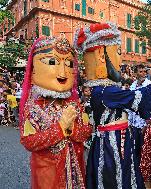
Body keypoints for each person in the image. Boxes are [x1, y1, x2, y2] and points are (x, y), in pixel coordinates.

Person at [73, 22, 151, 189]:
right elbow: (137, 98)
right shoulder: (106, 91)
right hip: (112, 145)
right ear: (102, 57)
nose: (121, 59)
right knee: (114, 177)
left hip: (115, 140)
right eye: (118, 53)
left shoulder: (101, 89)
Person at [19, 37, 92, 189]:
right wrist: (60, 127)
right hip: (47, 173)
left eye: (69, 64)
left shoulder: (74, 103)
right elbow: (29, 141)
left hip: (75, 168)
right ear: (33, 70)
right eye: (52, 62)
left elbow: (86, 131)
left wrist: (71, 129)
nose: (63, 72)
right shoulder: (33, 107)